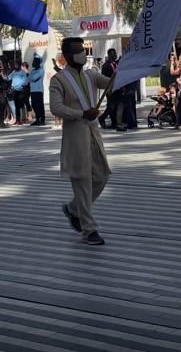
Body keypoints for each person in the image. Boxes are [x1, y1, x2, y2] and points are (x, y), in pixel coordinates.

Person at [50, 37, 112, 246]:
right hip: (75, 135)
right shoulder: (59, 80)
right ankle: (89, 229)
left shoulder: (90, 75)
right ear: (66, 57)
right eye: (77, 51)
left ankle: (73, 209)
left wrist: (126, 70)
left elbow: (111, 84)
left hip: (94, 133)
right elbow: (56, 108)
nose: (82, 55)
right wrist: (81, 113)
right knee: (83, 181)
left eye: (83, 50)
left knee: (102, 176)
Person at [99, 48, 125, 131]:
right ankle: (102, 118)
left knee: (120, 105)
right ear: (109, 55)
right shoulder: (105, 66)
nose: (115, 55)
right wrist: (107, 90)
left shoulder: (117, 64)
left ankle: (119, 124)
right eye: (113, 54)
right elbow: (104, 79)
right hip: (110, 89)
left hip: (119, 88)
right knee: (111, 107)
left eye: (115, 53)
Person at [28, 54, 46, 126]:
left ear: (38, 62)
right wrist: (30, 78)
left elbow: (33, 78)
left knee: (39, 105)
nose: (33, 62)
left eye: (35, 61)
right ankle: (37, 119)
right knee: (34, 105)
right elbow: (29, 78)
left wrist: (30, 77)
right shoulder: (32, 71)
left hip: (38, 90)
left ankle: (42, 119)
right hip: (32, 90)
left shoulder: (41, 70)